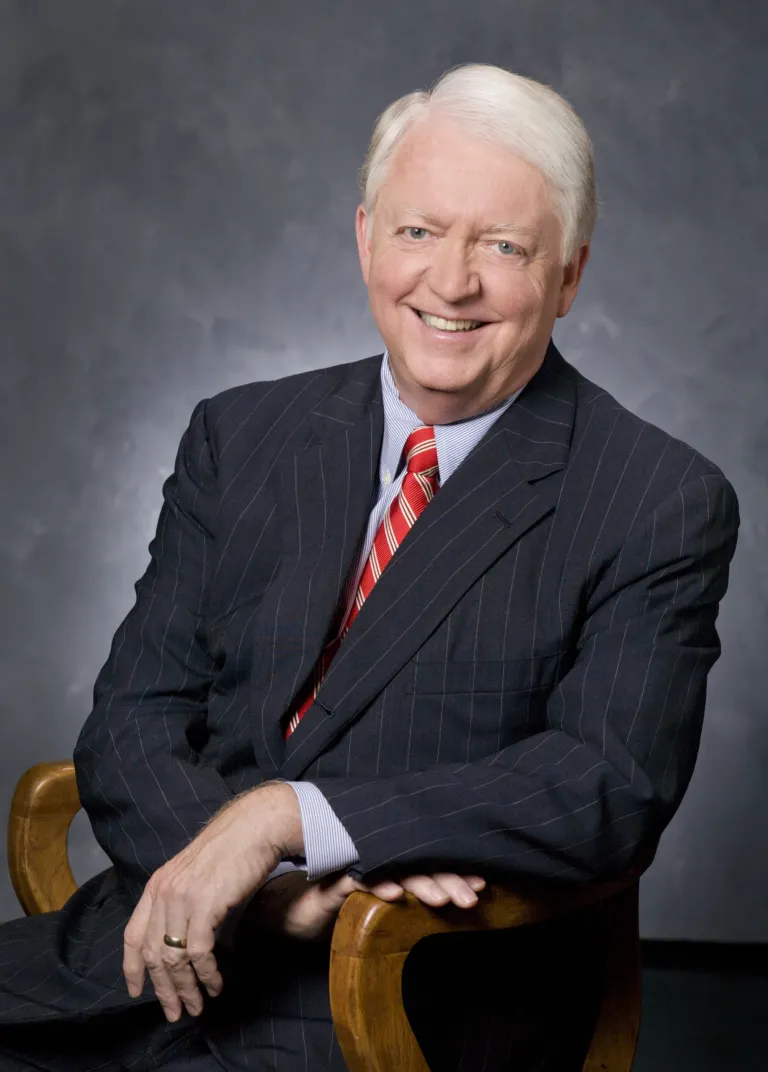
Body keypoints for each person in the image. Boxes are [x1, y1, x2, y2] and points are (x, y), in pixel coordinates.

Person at [0, 62, 739, 1071]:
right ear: (365, 241)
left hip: (398, 1003)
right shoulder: (243, 436)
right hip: (144, 959)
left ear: (569, 276)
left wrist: (285, 819)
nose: (451, 280)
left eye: (505, 246)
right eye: (419, 231)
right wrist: (243, 888)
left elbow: (603, 785)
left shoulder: (655, 497)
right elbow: (129, 720)